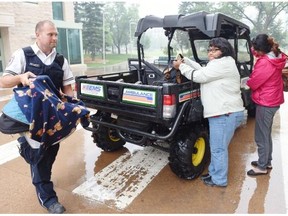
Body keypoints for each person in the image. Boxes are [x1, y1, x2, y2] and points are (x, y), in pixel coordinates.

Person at [0, 20, 74, 213]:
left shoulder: (60, 60)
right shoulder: (23, 54)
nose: (55, 38)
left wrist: (71, 104)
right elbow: (4, 80)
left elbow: (66, 87)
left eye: (56, 34)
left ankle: (26, 149)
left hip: (52, 118)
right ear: (38, 34)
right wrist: (20, 77)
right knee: (40, 157)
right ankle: (48, 198)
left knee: (50, 152)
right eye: (51, 34)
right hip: (29, 117)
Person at [173, 37, 245, 187]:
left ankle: (219, 180)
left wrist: (181, 67)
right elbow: (202, 69)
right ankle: (214, 174)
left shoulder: (224, 63)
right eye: (209, 50)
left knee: (218, 149)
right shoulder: (220, 63)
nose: (211, 53)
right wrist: (185, 60)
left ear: (224, 50)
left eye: (215, 49)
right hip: (223, 113)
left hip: (225, 113)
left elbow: (200, 76)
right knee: (217, 147)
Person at [246, 34, 287, 176]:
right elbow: (257, 51)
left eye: (255, 48)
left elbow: (254, 82)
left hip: (266, 102)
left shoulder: (265, 62)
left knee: (261, 135)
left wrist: (246, 82)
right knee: (266, 133)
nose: (253, 51)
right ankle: (267, 161)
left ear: (261, 50)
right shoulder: (275, 56)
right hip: (273, 99)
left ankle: (262, 166)